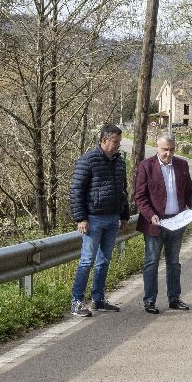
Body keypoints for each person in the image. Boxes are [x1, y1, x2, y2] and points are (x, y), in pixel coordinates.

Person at [134, 132, 192, 314]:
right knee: (151, 263)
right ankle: (149, 301)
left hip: (176, 223)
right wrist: (150, 215)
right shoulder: (146, 166)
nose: (168, 154)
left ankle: (174, 298)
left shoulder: (182, 165)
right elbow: (139, 196)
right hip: (155, 224)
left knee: (174, 263)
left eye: (171, 150)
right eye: (165, 150)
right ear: (157, 147)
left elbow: (189, 192)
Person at [69, 124, 130, 317]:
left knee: (104, 261)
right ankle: (77, 302)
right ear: (103, 140)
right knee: (86, 261)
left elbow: (123, 190)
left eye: (119, 142)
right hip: (93, 219)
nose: (118, 145)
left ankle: (98, 299)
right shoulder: (88, 160)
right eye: (115, 142)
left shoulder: (120, 162)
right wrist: (81, 217)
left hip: (112, 218)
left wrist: (124, 215)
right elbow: (76, 191)